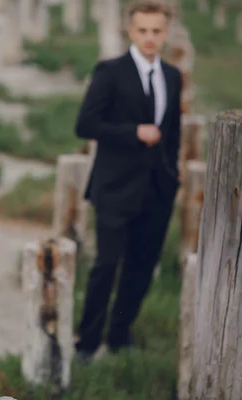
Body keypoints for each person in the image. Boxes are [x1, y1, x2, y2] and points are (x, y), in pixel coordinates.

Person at [74, 0, 182, 362]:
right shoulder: (110, 71)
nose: (150, 38)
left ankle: (120, 335)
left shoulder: (172, 76)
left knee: (140, 266)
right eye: (143, 31)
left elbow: (173, 133)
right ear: (130, 31)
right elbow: (85, 125)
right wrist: (133, 131)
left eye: (156, 31)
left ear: (166, 33)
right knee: (106, 266)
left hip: (156, 191)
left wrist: (173, 178)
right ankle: (87, 343)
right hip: (114, 188)